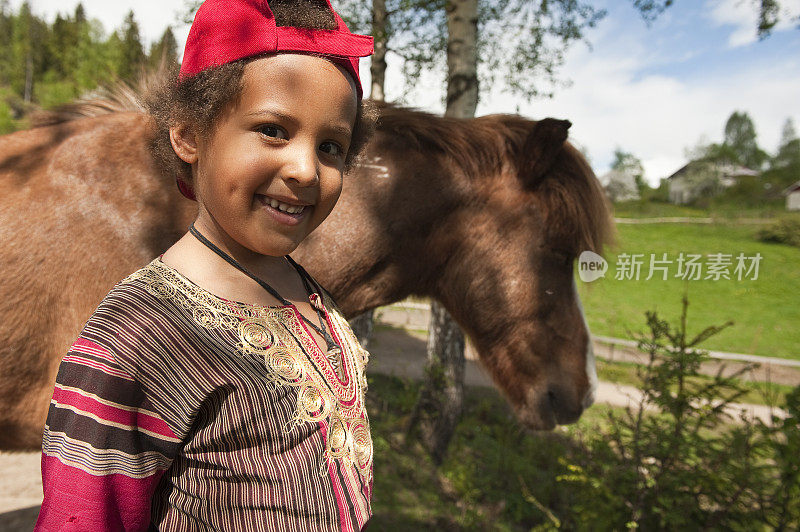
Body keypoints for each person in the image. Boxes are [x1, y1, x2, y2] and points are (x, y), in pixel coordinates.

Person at [34, 0, 375, 530]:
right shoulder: (137, 337)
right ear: (189, 135)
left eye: (331, 146)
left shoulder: (300, 290)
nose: (306, 169)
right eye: (273, 130)